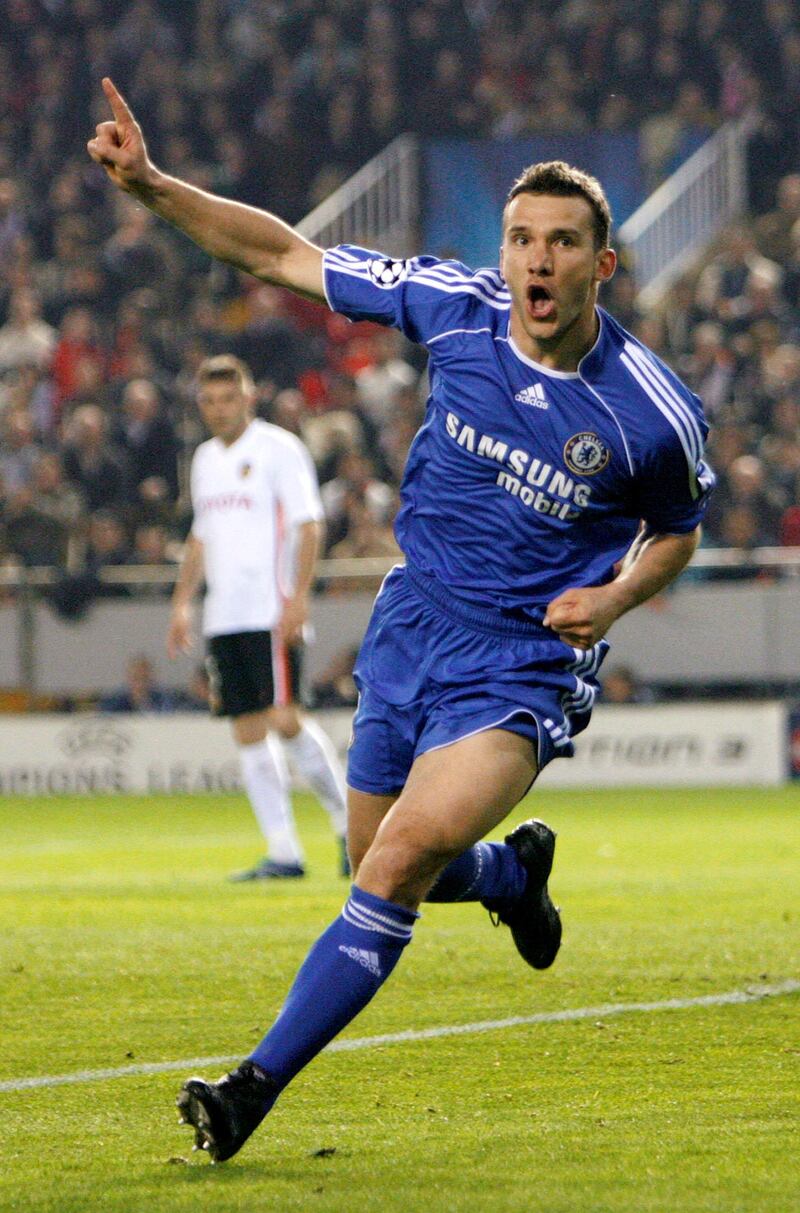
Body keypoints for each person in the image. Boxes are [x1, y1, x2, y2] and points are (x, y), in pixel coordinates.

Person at [88, 78, 715, 1163]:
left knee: (391, 870)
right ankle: (512, 876)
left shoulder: (647, 412)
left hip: (518, 662)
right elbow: (282, 256)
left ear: (599, 265)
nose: (536, 260)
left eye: (562, 243)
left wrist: (612, 596)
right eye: (521, 237)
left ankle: (248, 1089)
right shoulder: (451, 304)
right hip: (413, 621)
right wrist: (148, 185)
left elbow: (675, 528)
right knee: (374, 855)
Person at [165, 353, 349, 882]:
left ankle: (348, 829)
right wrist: (183, 601)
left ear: (249, 397)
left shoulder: (278, 449)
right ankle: (284, 852)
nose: (219, 409)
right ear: (200, 404)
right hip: (224, 614)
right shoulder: (202, 460)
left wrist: (299, 597)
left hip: (271, 608)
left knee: (287, 720)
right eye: (209, 401)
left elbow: (309, 525)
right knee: (247, 731)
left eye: (229, 398)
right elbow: (201, 535)